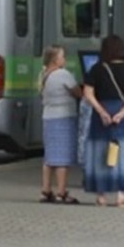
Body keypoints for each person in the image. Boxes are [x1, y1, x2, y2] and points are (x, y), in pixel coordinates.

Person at [81, 35, 124, 208]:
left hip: (101, 116)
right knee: (121, 153)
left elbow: (87, 93)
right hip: (120, 114)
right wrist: (123, 112)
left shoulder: (97, 69)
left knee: (100, 153)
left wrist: (101, 111)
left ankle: (101, 196)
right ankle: (120, 196)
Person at [39, 45, 83, 204]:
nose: (64, 59)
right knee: (62, 157)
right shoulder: (63, 74)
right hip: (64, 117)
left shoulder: (43, 75)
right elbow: (78, 92)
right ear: (55, 59)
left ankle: (45, 191)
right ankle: (61, 192)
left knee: (49, 156)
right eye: (62, 56)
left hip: (48, 117)